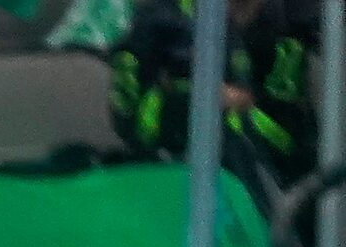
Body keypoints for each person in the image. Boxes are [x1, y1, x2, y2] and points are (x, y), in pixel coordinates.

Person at [111, 0, 315, 194]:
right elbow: (129, 119)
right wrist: (198, 99)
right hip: (167, 183)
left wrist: (236, 111)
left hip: (256, 196)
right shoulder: (156, 21)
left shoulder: (283, 31)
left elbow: (288, 138)